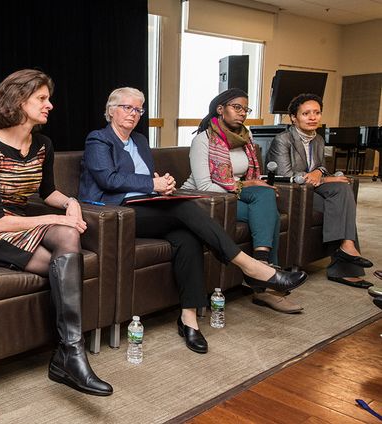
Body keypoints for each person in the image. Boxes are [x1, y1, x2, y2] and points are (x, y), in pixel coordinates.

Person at [79, 87, 308, 354]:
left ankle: (188, 319)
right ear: (110, 111)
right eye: (127, 108)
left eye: (138, 109)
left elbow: (144, 176)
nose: (133, 114)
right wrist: (152, 183)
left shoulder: (140, 140)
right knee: (184, 209)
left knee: (187, 236)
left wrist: (163, 184)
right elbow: (109, 179)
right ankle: (252, 267)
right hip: (116, 213)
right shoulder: (98, 139)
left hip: (147, 206)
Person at [0, 69, 113, 396]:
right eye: (42, 98)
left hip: (23, 217)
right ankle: (67, 357)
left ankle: (70, 353)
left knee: (69, 241)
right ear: (18, 101)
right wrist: (53, 221)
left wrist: (70, 204)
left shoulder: (43, 144)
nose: (50, 105)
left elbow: (47, 191)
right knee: (61, 266)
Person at [182, 89, 303, 314]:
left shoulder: (246, 138)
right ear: (221, 109)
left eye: (245, 109)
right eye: (236, 107)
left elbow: (249, 177)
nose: (242, 113)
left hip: (234, 193)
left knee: (266, 196)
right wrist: (246, 185)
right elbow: (205, 186)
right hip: (208, 198)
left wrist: (251, 185)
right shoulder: (203, 139)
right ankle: (265, 286)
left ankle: (261, 266)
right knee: (270, 214)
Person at [267, 93, 373, 288]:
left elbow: (322, 167)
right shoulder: (283, 140)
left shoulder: (318, 139)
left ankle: (347, 247)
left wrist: (319, 172)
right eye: (306, 113)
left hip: (312, 190)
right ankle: (345, 264)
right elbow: (285, 175)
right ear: (293, 117)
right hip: (293, 193)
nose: (312, 117)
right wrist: (321, 176)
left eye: (317, 112)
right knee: (339, 204)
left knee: (342, 189)